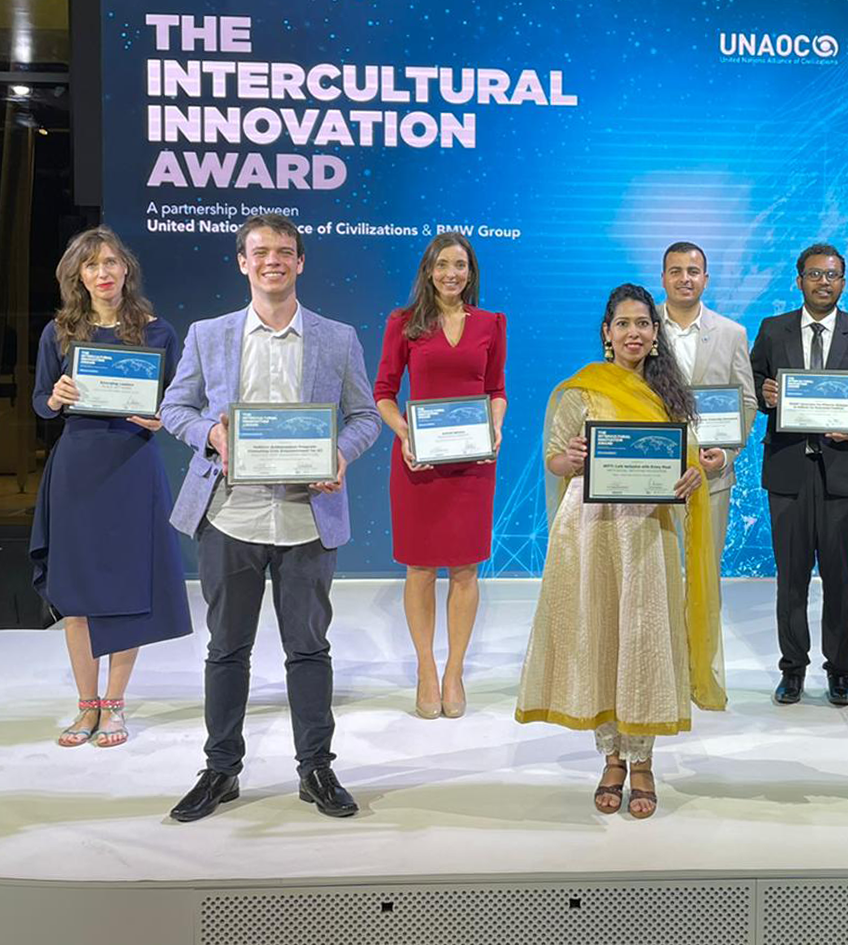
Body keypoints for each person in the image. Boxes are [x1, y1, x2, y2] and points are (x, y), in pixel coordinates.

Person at [160, 213, 382, 822]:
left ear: (300, 262)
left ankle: (316, 768)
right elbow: (175, 408)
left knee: (308, 649)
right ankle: (220, 770)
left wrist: (339, 453)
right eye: (260, 252)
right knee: (226, 650)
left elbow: (364, 416)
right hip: (230, 515)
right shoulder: (209, 334)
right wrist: (212, 435)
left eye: (284, 251)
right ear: (242, 262)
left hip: (307, 518)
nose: (272, 261)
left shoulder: (337, 338)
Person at [515, 283, 728, 819]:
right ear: (607, 333)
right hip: (591, 531)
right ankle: (611, 757)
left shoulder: (670, 396)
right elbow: (554, 460)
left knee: (644, 637)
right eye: (624, 324)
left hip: (649, 532)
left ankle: (643, 761)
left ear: (656, 335)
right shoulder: (581, 390)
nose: (634, 333)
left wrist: (696, 474)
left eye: (643, 324)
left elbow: (689, 461)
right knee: (602, 634)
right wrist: (571, 457)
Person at [31, 226, 191, 749]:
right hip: (77, 469)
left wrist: (161, 418)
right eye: (92, 265)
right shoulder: (58, 332)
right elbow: (39, 403)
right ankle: (86, 706)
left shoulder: (158, 332)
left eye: (111, 262)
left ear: (126, 269)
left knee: (127, 588)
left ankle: (114, 705)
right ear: (78, 275)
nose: (103, 273)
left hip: (132, 467)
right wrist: (55, 398)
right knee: (76, 594)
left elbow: (177, 403)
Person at [751, 243, 848, 706]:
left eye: (832, 275)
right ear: (799, 280)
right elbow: (751, 382)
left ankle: (840, 670)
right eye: (815, 274)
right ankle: (792, 668)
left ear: (843, 283)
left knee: (839, 577)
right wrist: (765, 395)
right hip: (788, 469)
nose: (823, 282)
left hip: (841, 470)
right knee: (790, 577)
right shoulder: (772, 329)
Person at [374, 232, 508, 719]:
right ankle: (426, 669)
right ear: (428, 271)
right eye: (443, 264)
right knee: (421, 567)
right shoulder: (403, 322)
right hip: (419, 462)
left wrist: (495, 426)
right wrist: (404, 432)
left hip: (472, 465)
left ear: (471, 273)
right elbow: (384, 391)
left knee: (466, 569)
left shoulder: (492, 323)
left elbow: (496, 389)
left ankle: (454, 671)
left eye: (461, 265)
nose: (452, 273)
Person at [658, 241, 757, 566]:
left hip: (710, 475)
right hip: (652, 472)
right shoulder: (642, 327)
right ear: (663, 278)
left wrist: (727, 454)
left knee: (705, 569)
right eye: (676, 271)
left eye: (693, 271)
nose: (684, 279)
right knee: (655, 574)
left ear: (705, 279)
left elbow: (746, 400)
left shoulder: (732, 333)